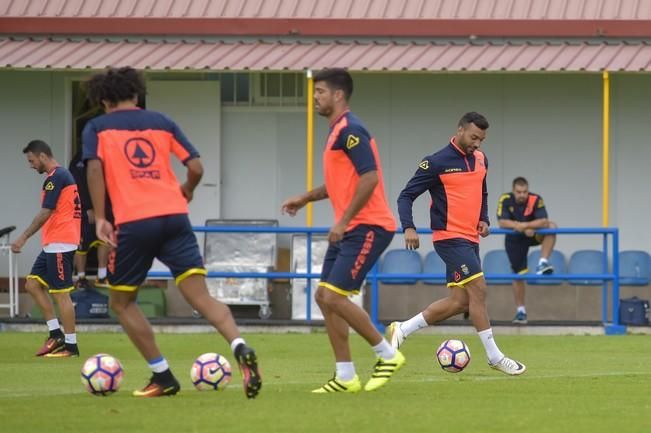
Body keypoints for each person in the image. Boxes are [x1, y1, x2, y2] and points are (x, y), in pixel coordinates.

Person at [83, 67, 261, 398]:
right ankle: (239, 345)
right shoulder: (162, 122)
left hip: (135, 222)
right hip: (175, 216)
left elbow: (94, 168)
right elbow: (195, 167)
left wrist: (102, 218)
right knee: (200, 296)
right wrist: (188, 190)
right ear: (136, 95)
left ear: (104, 100)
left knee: (122, 303)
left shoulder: (97, 127)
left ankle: (162, 375)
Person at [281, 68, 405, 393]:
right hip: (351, 227)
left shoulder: (351, 129)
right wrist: (304, 198)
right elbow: (340, 183)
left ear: (338, 95)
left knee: (334, 296)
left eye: (320, 91)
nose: (315, 98)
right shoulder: (336, 131)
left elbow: (370, 177)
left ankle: (387, 353)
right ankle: (346, 376)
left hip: (369, 226)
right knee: (324, 297)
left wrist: (344, 220)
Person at [389, 112, 526, 376]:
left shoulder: (481, 159)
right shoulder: (436, 162)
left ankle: (402, 329)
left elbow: (482, 190)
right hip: (449, 238)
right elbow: (406, 196)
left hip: (471, 239)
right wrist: (408, 227)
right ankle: (494, 356)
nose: (477, 144)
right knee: (479, 289)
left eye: (482, 139)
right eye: (474, 137)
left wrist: (484, 218)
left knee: (460, 301)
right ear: (460, 130)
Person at [11, 140, 81, 357]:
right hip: (54, 242)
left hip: (61, 242)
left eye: (32, 160)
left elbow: (46, 212)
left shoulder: (57, 177)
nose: (31, 165)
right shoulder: (58, 177)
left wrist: (23, 237)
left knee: (61, 294)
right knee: (32, 284)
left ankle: (71, 345)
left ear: (42, 156)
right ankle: (55, 334)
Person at [497, 177, 557, 324]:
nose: (522, 195)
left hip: (531, 234)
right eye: (519, 192)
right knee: (518, 276)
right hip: (514, 240)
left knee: (552, 226)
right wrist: (524, 228)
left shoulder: (535, 199)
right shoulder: (505, 199)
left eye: (524, 191)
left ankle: (543, 263)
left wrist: (524, 227)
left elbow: (544, 221)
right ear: (513, 191)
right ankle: (521, 311)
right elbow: (502, 222)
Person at [68, 149, 111, 289]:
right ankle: (81, 278)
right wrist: (87, 207)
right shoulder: (78, 159)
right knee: (82, 244)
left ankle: (102, 276)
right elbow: (75, 185)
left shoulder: (106, 154)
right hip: (85, 210)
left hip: (105, 208)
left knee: (105, 241)